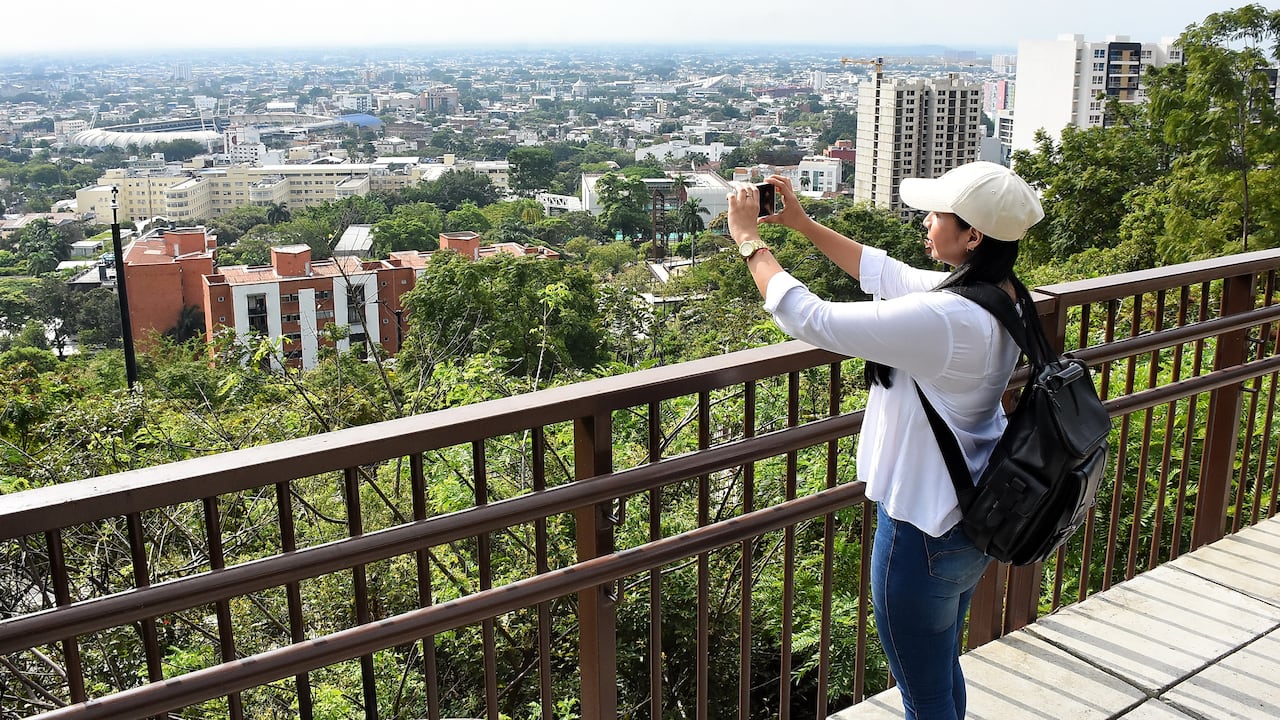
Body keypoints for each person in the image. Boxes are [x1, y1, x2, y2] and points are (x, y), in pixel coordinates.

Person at [725, 162, 1044, 720]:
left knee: (922, 694)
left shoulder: (948, 316)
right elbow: (885, 272)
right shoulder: (998, 293)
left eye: (938, 215)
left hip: (921, 532)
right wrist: (801, 224)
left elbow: (811, 318)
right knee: (940, 667)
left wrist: (750, 241)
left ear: (973, 235)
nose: (925, 220)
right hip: (967, 518)